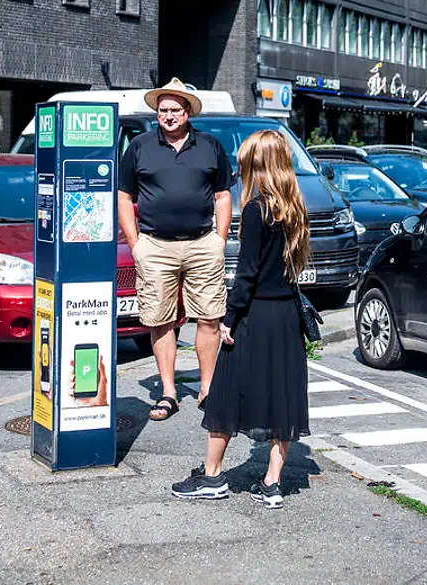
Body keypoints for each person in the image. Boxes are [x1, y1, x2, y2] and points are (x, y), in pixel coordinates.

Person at [171, 129, 310, 508]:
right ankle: (272, 483)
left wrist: (229, 317)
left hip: (256, 313)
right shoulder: (294, 207)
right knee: (282, 396)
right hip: (285, 317)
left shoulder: (255, 209)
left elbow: (246, 273)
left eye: (246, 161)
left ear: (258, 165)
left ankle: (213, 475)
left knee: (226, 393)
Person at [118, 78, 232, 422]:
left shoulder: (210, 146)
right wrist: (136, 244)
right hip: (154, 246)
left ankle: (208, 390)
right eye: (162, 109)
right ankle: (168, 392)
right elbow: (124, 197)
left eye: (174, 110)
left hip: (202, 244)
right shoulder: (139, 146)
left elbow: (223, 195)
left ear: (187, 112)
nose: (168, 116)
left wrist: (220, 239)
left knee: (210, 318)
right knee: (160, 320)